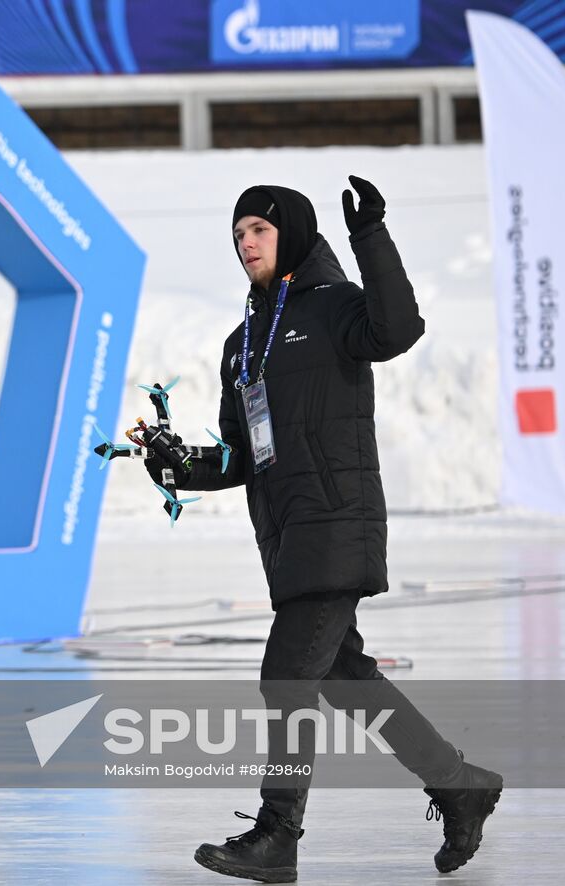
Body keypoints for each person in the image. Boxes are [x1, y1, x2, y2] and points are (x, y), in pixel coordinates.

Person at [149, 178, 502, 883]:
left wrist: (370, 236)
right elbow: (242, 456)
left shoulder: (338, 308)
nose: (246, 241)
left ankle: (278, 834)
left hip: (338, 523)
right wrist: (178, 461)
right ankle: (460, 786)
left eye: (259, 228)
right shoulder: (241, 341)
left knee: (285, 678)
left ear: (294, 234)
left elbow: (399, 330)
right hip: (285, 536)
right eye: (238, 232)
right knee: (347, 679)